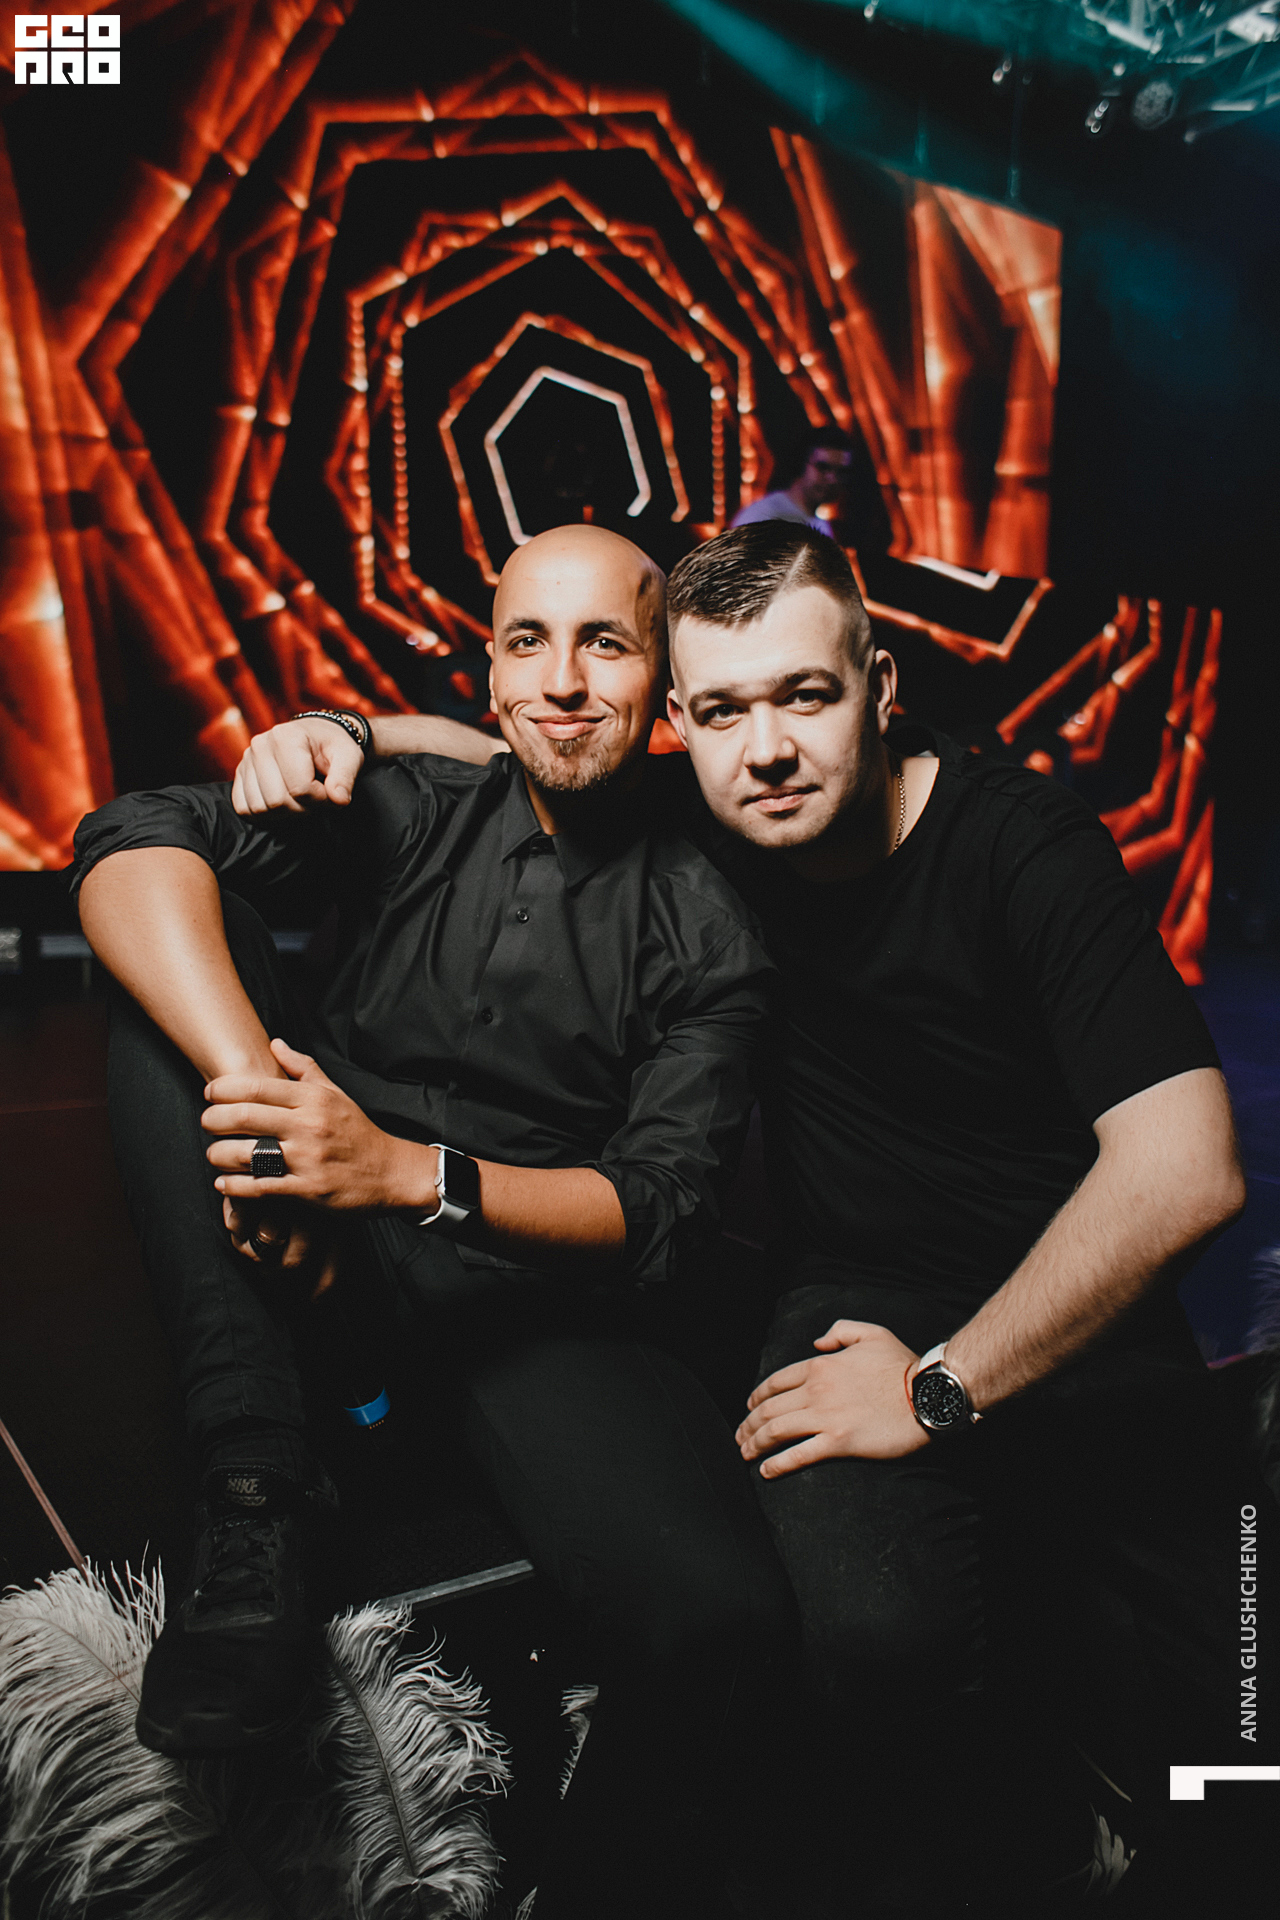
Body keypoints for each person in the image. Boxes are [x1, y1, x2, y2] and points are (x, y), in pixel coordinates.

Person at [237, 523, 1245, 1916]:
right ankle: (1018, 1835)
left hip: (1080, 1310)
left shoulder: (1022, 848)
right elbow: (509, 748)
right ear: (680, 722)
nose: (765, 748)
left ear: (878, 687)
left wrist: (942, 1389)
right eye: (719, 711)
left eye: (804, 696)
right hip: (855, 1301)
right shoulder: (722, 808)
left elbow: (1185, 1170)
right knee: (868, 1649)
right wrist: (341, 731)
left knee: (1241, 1762)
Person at [72, 524, 799, 1920]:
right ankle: (255, 1485)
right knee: (174, 976)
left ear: (663, 680)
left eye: (605, 644)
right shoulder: (412, 810)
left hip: (513, 1279)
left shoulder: (709, 923)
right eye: (531, 641)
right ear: (491, 668)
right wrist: (273, 1119)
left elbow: (653, 1211)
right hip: (303, 1227)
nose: (564, 680)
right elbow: (131, 841)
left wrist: (403, 1171)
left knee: (719, 1619)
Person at [730, 428, 851, 537]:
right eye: (823, 467)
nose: (832, 479)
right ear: (802, 464)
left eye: (841, 472)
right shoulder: (763, 517)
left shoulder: (822, 527)